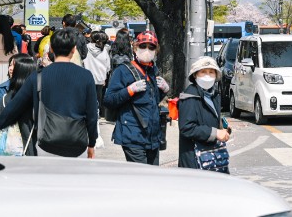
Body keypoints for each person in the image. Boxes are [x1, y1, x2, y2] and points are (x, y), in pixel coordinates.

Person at [0, 28, 98, 157]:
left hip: (46, 143)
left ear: (51, 50)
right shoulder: (86, 76)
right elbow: (92, 114)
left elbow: (16, 105)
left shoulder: (37, 76)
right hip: (78, 143)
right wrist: (92, 143)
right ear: (73, 49)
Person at [104, 31, 169, 165]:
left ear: (156, 51)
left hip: (152, 135)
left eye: (151, 47)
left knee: (152, 177)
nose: (147, 50)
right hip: (132, 134)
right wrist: (129, 90)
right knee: (141, 178)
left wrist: (164, 91)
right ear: (135, 48)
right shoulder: (122, 71)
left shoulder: (153, 70)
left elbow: (152, 100)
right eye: (143, 46)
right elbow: (109, 100)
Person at [178, 56, 231, 172]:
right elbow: (186, 127)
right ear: (195, 75)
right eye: (203, 72)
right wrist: (215, 132)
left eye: (211, 72)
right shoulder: (189, 96)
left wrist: (222, 128)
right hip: (194, 160)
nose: (207, 75)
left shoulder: (214, 95)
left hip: (212, 157)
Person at [0, 53, 37, 155]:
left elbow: (1, 117)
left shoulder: (10, 96)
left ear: (22, 70)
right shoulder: (3, 89)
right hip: (25, 145)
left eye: (14, 66)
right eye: (10, 65)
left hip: (21, 145)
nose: (10, 69)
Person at [84, 31, 111, 111]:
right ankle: (97, 112)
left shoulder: (86, 47)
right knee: (98, 97)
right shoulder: (104, 50)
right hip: (100, 78)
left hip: (87, 77)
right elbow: (108, 66)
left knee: (88, 97)